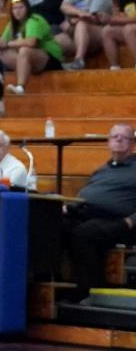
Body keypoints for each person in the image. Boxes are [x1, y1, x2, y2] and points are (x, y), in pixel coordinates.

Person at [63, 124, 136, 300]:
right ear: (108, 142)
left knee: (84, 234)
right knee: (55, 224)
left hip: (120, 222)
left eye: (124, 137)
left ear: (133, 143)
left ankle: (89, 290)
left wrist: (130, 221)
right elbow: (88, 194)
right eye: (115, 136)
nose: (118, 139)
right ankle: (52, 283)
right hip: (87, 213)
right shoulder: (102, 170)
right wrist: (68, 207)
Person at [0, 0, 64, 95]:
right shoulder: (12, 24)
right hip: (30, 60)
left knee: (25, 50)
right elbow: (2, 42)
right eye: (15, 8)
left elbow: (31, 42)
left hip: (50, 59)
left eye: (21, 7)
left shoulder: (34, 20)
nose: (17, 11)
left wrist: (8, 43)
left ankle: (20, 87)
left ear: (27, 8)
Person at [58, 0, 114, 70]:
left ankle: (79, 60)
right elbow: (63, 6)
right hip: (76, 33)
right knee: (56, 39)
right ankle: (57, 65)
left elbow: (92, 17)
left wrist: (72, 21)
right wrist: (80, 13)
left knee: (82, 24)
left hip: (98, 32)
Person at [103, 0, 136, 70]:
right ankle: (115, 68)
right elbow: (122, 15)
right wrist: (113, 16)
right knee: (107, 30)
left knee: (129, 29)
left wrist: (113, 19)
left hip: (132, 27)